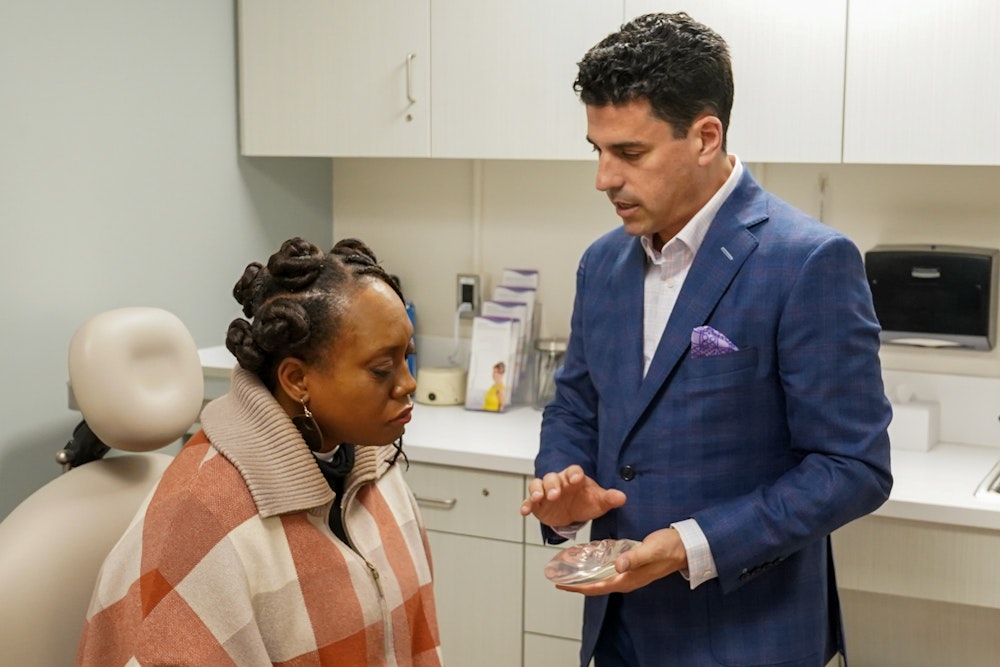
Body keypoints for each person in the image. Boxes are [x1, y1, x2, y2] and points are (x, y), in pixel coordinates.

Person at [520, 12, 892, 667]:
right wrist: (563, 487)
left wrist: (684, 545)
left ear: (704, 135)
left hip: (747, 638)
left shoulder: (808, 261)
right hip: (618, 633)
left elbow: (853, 468)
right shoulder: (600, 264)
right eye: (596, 150)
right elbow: (577, 405)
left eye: (629, 153)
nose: (604, 178)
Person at [77, 237, 442, 666]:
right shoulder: (200, 524)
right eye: (382, 368)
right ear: (296, 380)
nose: (407, 383)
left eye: (407, 357)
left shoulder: (373, 469)